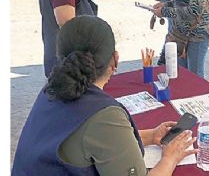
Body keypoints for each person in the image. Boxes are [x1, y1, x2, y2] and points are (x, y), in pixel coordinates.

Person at [12, 16, 198, 176]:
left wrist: (150, 136)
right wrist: (170, 158)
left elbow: (96, 141)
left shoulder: (51, 89)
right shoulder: (103, 116)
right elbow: (100, 133)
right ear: (115, 60)